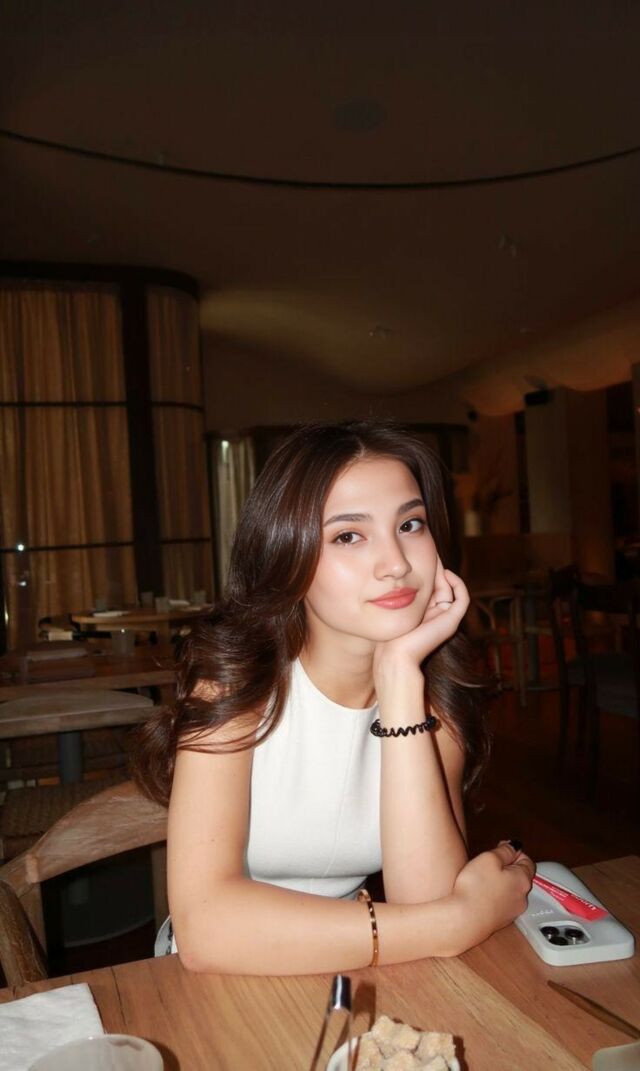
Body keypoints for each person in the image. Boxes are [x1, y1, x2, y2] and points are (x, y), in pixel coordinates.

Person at [133, 421, 534, 975]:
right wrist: (457, 922)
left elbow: (427, 897)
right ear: (287, 556)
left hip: (358, 961)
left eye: (410, 524)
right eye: (348, 536)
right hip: (224, 979)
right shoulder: (236, 686)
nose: (396, 562)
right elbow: (206, 929)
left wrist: (399, 678)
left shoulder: (433, 699)